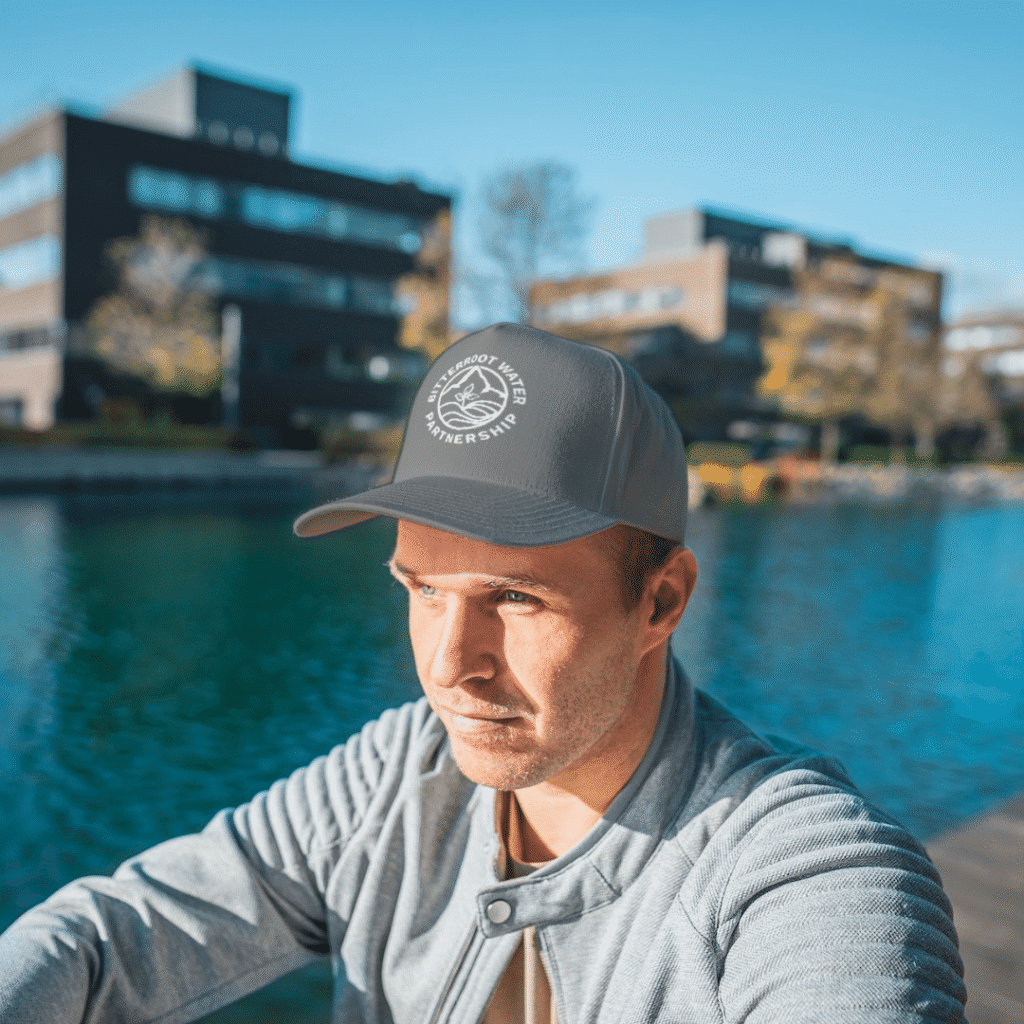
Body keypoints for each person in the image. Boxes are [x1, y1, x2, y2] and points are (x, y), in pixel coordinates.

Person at [0, 323, 966, 1023]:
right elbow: (121, 930)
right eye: (420, 590)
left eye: (515, 598)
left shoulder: (805, 873)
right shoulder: (396, 775)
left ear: (662, 601)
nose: (450, 667)